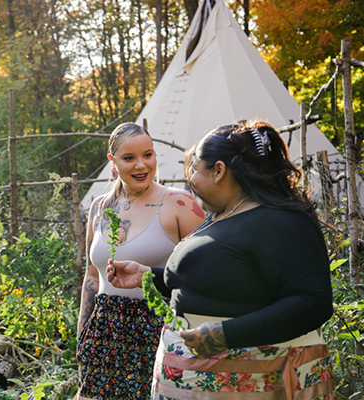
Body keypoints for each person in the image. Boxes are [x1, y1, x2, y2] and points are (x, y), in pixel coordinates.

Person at [107, 120, 336, 399]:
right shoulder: (220, 215)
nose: (189, 177)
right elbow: (216, 281)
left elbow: (313, 302)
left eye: (194, 168)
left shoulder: (280, 221)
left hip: (258, 383)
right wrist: (148, 276)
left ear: (218, 171)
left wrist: (225, 334)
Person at [76, 122, 205, 400]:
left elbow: (206, 274)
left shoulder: (180, 204)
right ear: (113, 161)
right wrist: (83, 337)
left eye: (148, 155)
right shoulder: (99, 207)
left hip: (160, 327)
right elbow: (92, 277)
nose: (141, 165)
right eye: (129, 158)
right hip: (105, 331)